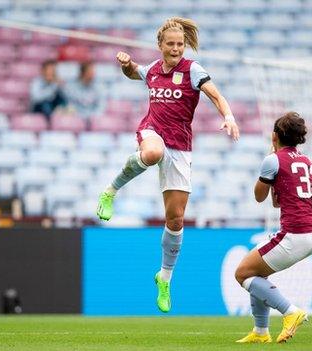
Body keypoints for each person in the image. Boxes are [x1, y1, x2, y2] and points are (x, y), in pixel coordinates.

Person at [95, 17, 240, 313]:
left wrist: (229, 115)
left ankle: (164, 277)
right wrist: (125, 64)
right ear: (160, 45)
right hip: (153, 132)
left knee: (175, 219)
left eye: (180, 44)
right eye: (170, 44)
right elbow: (134, 72)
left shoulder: (192, 70)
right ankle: (110, 191)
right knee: (151, 154)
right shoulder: (153, 70)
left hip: (181, 147)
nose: (176, 49)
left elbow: (216, 95)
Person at [234, 112, 312, 344]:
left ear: (275, 136)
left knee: (243, 273)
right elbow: (278, 201)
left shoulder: (273, 160)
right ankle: (261, 332)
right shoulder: (306, 161)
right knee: (257, 273)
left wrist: (268, 166)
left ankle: (291, 312)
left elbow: (259, 196)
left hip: (295, 233)